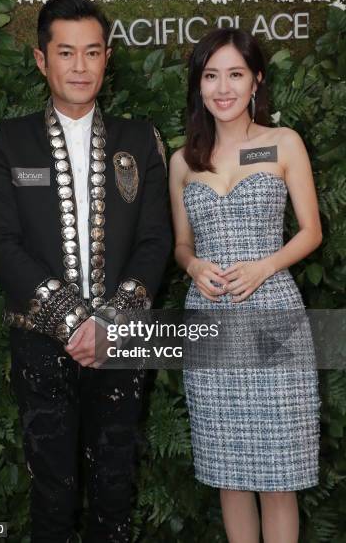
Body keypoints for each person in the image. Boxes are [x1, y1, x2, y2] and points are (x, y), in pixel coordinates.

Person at [0, 0, 171, 543]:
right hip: (40, 341)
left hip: (123, 337)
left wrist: (110, 324)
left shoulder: (142, 139)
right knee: (52, 492)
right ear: (42, 59)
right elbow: (2, 242)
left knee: (115, 488)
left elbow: (156, 240)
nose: (80, 67)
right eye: (66, 53)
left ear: (108, 56)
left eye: (91, 52)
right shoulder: (9, 142)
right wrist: (71, 322)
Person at [169, 28, 321, 543]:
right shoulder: (183, 161)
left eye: (235, 74)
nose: (223, 87)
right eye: (211, 76)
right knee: (228, 476)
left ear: (256, 79)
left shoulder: (283, 143)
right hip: (209, 319)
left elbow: (311, 232)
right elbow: (181, 246)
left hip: (275, 315)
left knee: (280, 476)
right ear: (199, 86)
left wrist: (265, 266)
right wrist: (192, 268)